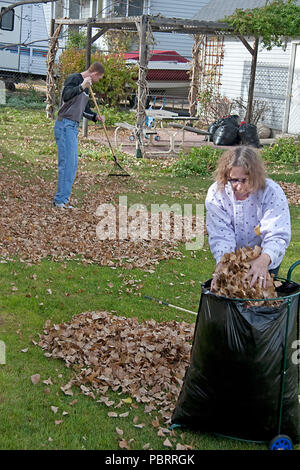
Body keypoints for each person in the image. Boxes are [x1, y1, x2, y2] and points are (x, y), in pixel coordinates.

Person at [205, 146, 291, 289]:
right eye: (233, 180)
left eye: (244, 180)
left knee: (260, 300)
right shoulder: (217, 193)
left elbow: (276, 234)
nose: (238, 187)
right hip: (234, 259)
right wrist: (223, 263)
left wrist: (264, 259)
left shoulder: (271, 192)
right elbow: (221, 235)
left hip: (265, 256)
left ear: (255, 176)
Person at [53, 62, 105, 209]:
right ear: (94, 74)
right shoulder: (74, 79)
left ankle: (63, 199)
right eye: (99, 78)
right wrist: (82, 86)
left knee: (73, 164)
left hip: (73, 127)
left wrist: (95, 117)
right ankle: (59, 201)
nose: (98, 81)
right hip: (64, 125)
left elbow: (83, 109)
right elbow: (66, 96)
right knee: (67, 164)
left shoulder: (86, 88)